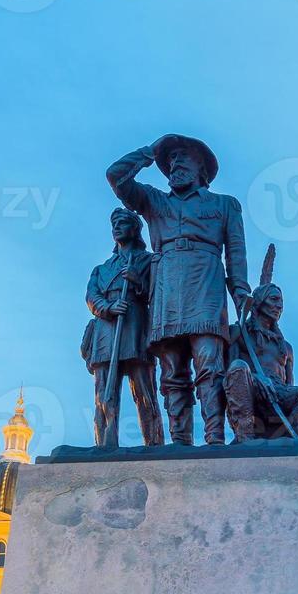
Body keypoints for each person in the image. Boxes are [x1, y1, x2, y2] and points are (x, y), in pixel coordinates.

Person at [107, 135, 249, 445]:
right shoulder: (155, 201)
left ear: (202, 167)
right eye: (170, 159)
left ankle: (215, 437)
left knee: (209, 362)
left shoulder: (225, 205)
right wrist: (148, 152)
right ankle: (180, 441)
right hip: (167, 284)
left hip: (206, 281)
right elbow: (115, 176)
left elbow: (235, 252)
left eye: (183, 157)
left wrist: (240, 290)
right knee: (171, 371)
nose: (175, 164)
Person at [225, 245, 298, 454]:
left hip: (279, 392)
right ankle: (246, 437)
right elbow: (230, 372)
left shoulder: (285, 347)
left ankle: (291, 437)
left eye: (281, 302)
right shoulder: (241, 334)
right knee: (238, 366)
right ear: (260, 303)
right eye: (274, 300)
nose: (279, 306)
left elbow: (290, 384)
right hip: (251, 387)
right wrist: (256, 376)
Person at [81, 208, 162, 447]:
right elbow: (91, 296)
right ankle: (105, 445)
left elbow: (157, 293)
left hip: (136, 326)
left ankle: (154, 444)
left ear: (134, 229)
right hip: (106, 330)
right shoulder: (102, 269)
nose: (116, 227)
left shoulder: (148, 260)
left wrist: (138, 281)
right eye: (114, 223)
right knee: (104, 395)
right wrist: (107, 307)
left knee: (144, 392)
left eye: (123, 222)